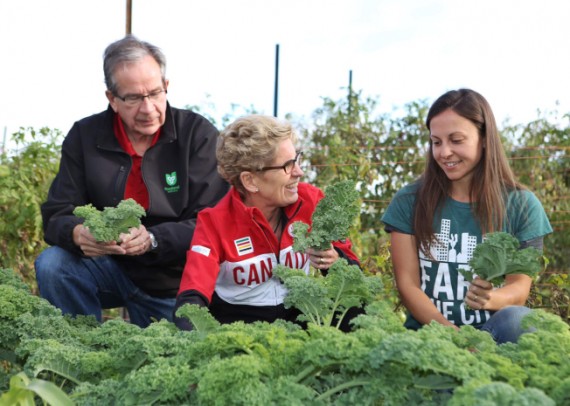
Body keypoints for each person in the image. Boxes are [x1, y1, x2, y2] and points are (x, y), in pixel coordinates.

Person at [34, 35, 229, 328]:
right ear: (112, 99)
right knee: (53, 265)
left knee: (180, 364)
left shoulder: (196, 135)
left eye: (155, 93)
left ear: (167, 86)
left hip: (173, 282)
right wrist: (77, 233)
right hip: (109, 267)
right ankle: (83, 357)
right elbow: (56, 212)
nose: (148, 108)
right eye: (134, 98)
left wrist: (153, 240)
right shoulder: (85, 136)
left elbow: (213, 221)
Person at [381, 88, 552, 344]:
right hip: (430, 337)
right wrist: (452, 336)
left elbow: (519, 289)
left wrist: (490, 298)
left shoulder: (522, 205)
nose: (444, 152)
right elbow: (408, 286)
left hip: (492, 337)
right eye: (436, 142)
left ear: (484, 138)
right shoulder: (409, 201)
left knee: (519, 320)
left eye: (456, 140)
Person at [173, 114, 360, 330]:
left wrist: (335, 260)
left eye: (297, 159)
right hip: (240, 333)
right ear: (250, 180)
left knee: (356, 310)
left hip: (301, 323)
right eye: (287, 166)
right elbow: (193, 293)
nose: (299, 172)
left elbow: (353, 273)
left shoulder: (312, 201)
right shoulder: (214, 222)